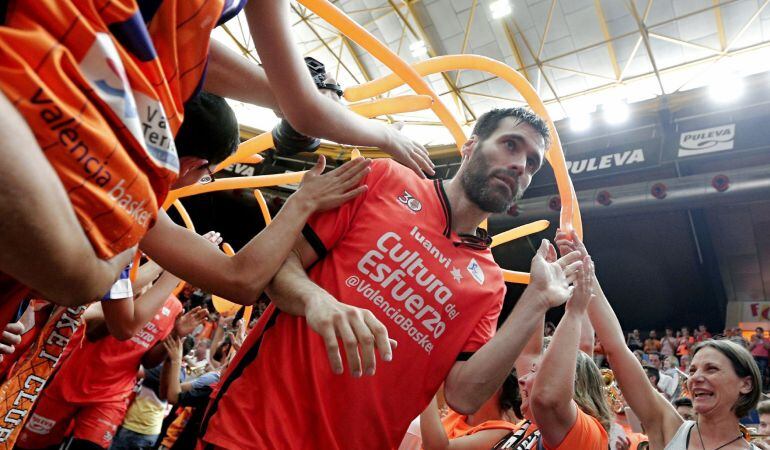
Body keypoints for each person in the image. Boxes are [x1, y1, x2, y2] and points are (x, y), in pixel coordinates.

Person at [0, 0, 432, 332]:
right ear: (194, 163)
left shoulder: (152, 59)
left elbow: (188, 45)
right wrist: (382, 136)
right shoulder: (128, 202)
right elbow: (125, 317)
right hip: (36, 95)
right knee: (87, 273)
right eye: (210, 173)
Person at [199, 107, 586, 449]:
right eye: (511, 145)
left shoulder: (488, 282)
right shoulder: (382, 180)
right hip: (253, 429)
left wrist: (535, 299)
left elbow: (465, 396)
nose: (521, 165)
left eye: (532, 163)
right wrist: (315, 300)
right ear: (470, 146)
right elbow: (282, 264)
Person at [555, 230, 763, 450]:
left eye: (711, 369)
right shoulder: (669, 427)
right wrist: (585, 271)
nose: (696, 378)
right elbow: (616, 347)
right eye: (692, 371)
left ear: (746, 384)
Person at [16, 278, 206, 449]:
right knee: (32, 446)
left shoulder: (173, 308)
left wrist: (176, 335)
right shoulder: (128, 286)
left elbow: (148, 361)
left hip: (112, 396)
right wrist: (129, 312)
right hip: (68, 384)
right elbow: (92, 333)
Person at [514, 258, 611, 450]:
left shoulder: (583, 434)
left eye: (536, 373)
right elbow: (528, 353)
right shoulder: (533, 427)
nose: (521, 379)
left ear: (570, 384)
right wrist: (540, 291)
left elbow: (548, 397)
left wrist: (575, 310)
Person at [418, 372, 521, 450]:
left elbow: (437, 448)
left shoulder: (503, 431)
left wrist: (425, 386)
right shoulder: (458, 412)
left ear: (497, 386)